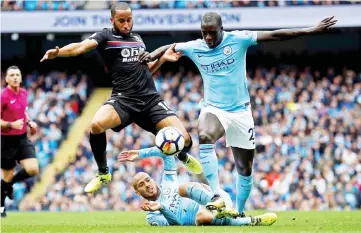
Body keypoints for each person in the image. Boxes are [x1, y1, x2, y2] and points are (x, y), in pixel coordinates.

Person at [139, 13, 338, 215]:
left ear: (221, 30)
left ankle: (240, 211)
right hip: (214, 108)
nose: (208, 37)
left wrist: (310, 29)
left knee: (245, 169)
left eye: (212, 33)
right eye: (204, 33)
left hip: (241, 112)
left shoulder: (238, 39)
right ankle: (216, 195)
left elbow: (276, 35)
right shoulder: (195, 46)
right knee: (205, 134)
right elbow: (171, 46)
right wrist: (152, 54)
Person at [40, 2, 202, 194]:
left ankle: (182, 156)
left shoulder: (137, 39)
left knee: (185, 139)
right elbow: (80, 47)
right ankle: (103, 173)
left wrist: (163, 59)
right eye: (121, 21)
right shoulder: (105, 36)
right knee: (96, 126)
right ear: (112, 20)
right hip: (123, 99)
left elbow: (146, 71)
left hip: (149, 100)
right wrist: (59, 52)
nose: (126, 24)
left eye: (129, 20)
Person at [118, 150, 277, 226]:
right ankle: (252, 221)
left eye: (147, 180)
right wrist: (162, 208)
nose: (147, 185)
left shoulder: (168, 181)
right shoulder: (152, 217)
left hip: (214, 197)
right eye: (141, 185)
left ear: (152, 179)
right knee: (201, 217)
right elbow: (177, 225)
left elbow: (166, 153)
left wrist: (140, 154)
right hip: (207, 214)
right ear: (137, 192)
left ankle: (217, 202)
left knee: (181, 188)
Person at [1, 66, 39, 218]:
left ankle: (8, 185)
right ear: (7, 79)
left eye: (17, 75)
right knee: (7, 176)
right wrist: (10, 125)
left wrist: (30, 122)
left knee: (33, 169)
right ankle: (1, 207)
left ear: (21, 78)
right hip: (6, 141)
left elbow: (23, 112)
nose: (15, 77)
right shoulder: (2, 96)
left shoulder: (24, 93)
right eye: (12, 75)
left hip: (22, 139)